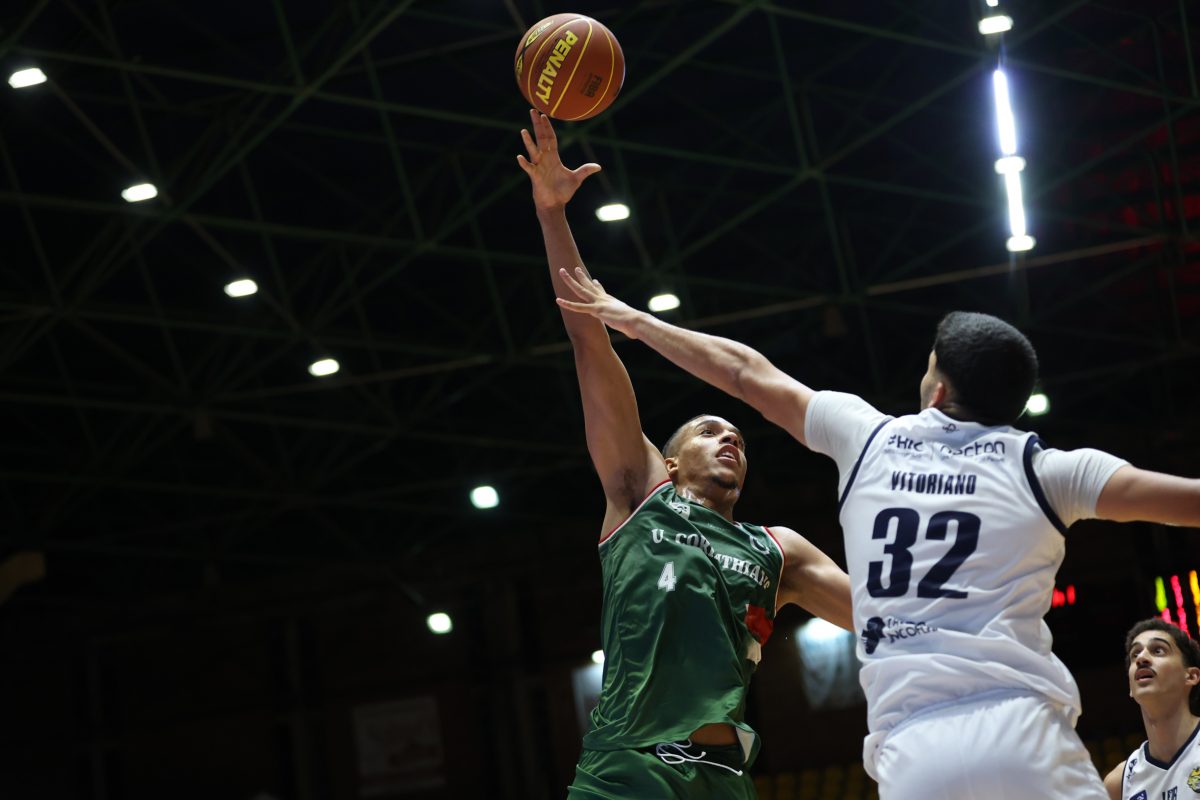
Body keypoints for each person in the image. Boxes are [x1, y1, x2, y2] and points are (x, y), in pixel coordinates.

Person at [554, 270, 1200, 798]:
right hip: (1018, 722)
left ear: (936, 389)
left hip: (912, 747)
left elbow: (746, 372)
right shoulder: (1047, 468)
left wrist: (633, 319)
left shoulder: (871, 439)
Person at [516, 109, 853, 799]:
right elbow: (588, 336)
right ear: (668, 464)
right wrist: (552, 212)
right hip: (624, 770)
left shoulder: (778, 551)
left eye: (739, 438)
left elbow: (888, 618)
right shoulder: (639, 493)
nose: (730, 438)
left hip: (717, 778)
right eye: (708, 430)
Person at [1104, 619, 1200, 800]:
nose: (1141, 658)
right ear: (1130, 688)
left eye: (1158, 650)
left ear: (1191, 676)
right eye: (1135, 654)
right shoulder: (1118, 784)